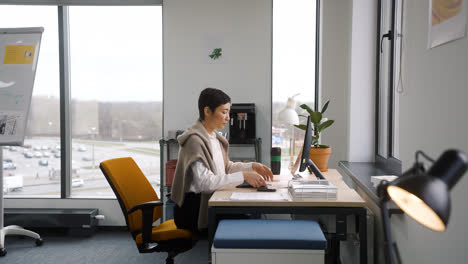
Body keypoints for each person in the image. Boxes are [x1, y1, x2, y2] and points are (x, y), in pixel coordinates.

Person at [171, 88, 273, 232]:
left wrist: (252, 166)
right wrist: (243, 176)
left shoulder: (214, 138)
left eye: (228, 112)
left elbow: (227, 167)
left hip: (211, 202)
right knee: (250, 223)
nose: (228, 118)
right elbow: (205, 183)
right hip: (194, 210)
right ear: (207, 111)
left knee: (252, 218)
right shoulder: (194, 141)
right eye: (224, 112)